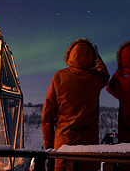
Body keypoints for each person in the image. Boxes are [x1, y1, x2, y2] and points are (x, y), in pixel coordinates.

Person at [41, 38, 109, 171]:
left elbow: (47, 116)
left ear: (70, 55)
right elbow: (104, 74)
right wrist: (98, 58)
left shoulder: (59, 77)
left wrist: (49, 147)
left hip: (63, 150)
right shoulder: (95, 79)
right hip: (89, 154)